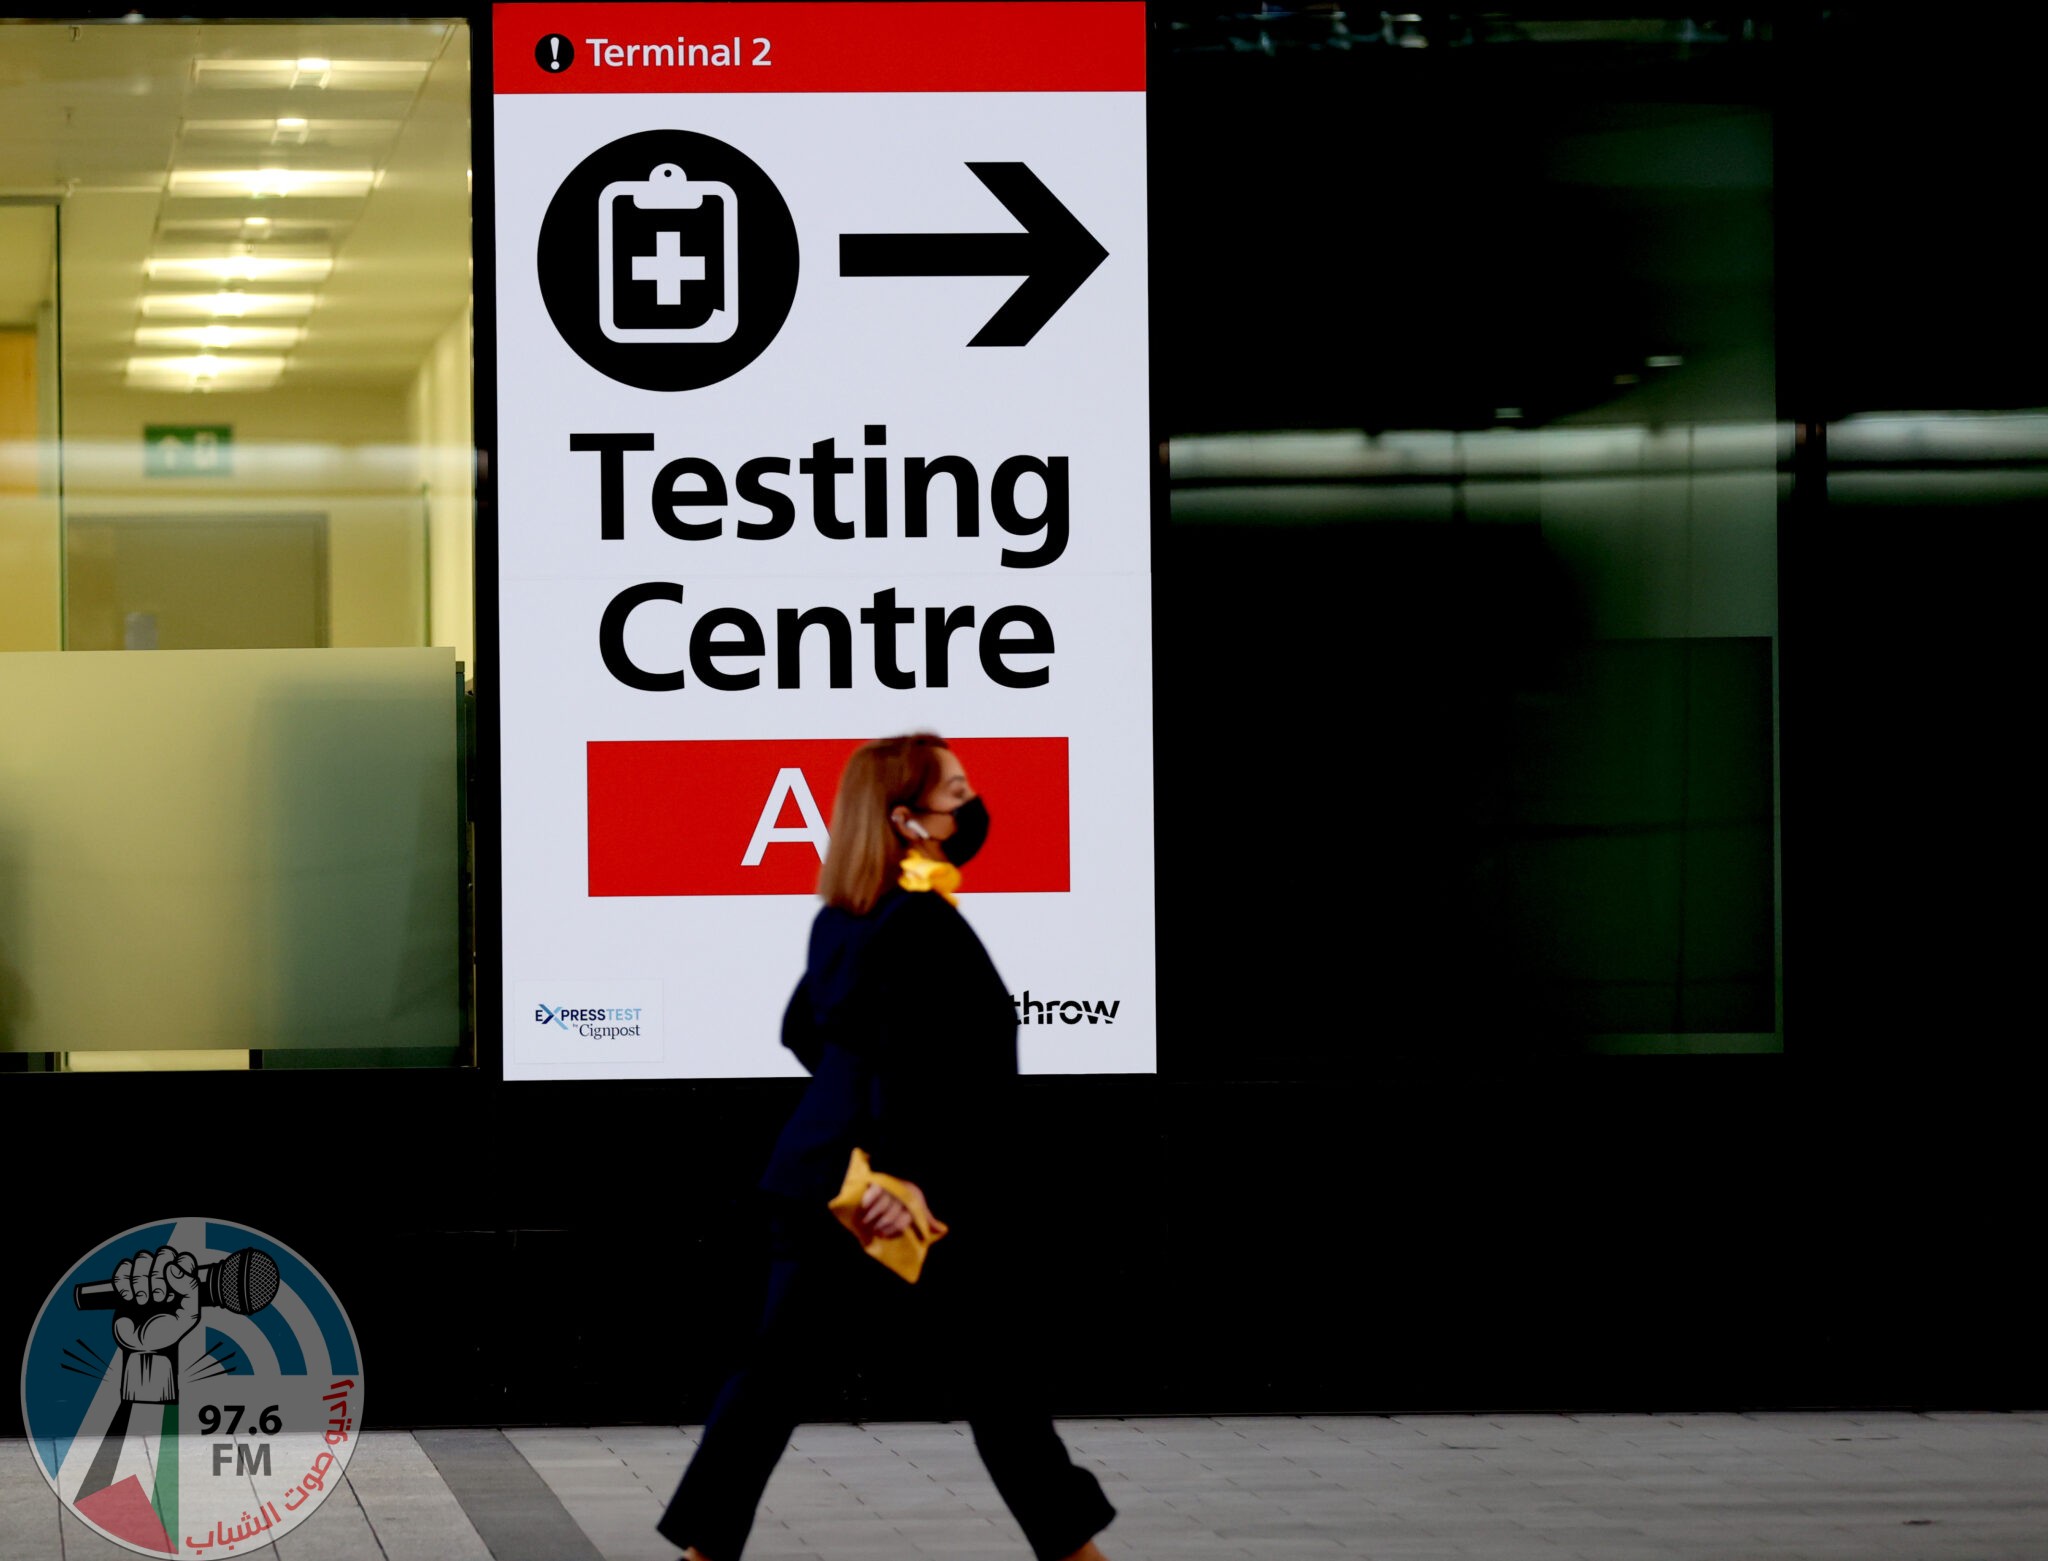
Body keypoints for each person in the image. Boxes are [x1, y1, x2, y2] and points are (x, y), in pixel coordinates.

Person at [658, 733, 1116, 1561]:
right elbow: (912, 1059)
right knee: (995, 1384)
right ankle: (1077, 1554)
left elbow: (808, 1028)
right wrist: (897, 1168)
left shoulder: (846, 917)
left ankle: (701, 1554)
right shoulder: (917, 922)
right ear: (911, 819)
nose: (972, 804)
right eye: (958, 790)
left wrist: (852, 1125)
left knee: (773, 1383)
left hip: (826, 1181)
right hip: (894, 1196)